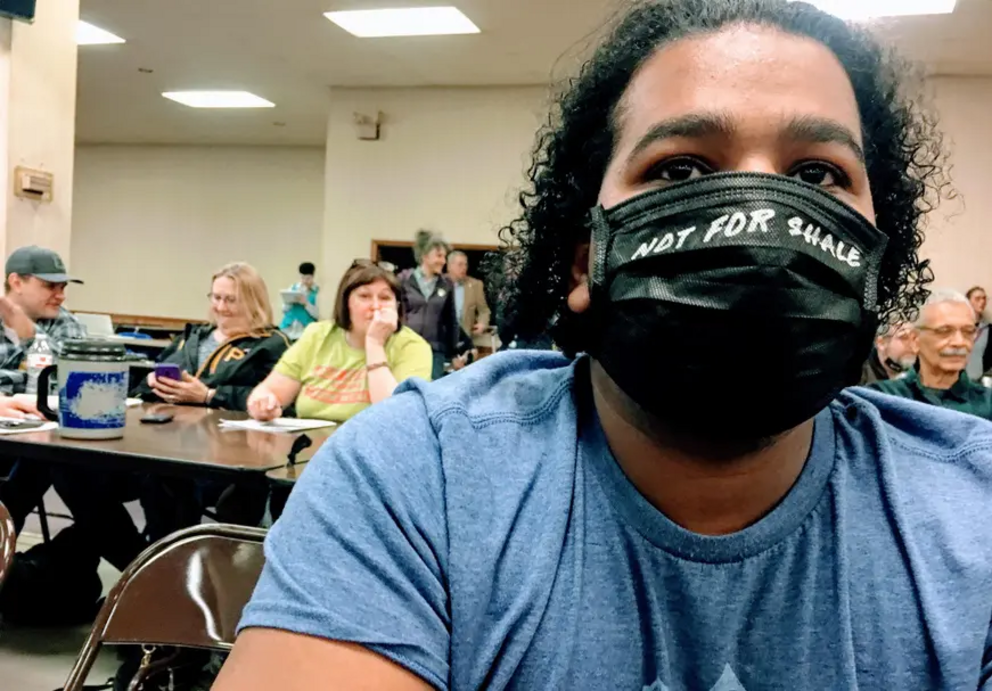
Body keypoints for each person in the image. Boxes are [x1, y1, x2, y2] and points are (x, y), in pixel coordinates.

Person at [215, 2, 992, 690]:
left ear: (873, 258)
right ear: (587, 256)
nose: (763, 219)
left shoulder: (976, 509)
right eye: (682, 167)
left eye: (819, 175)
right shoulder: (417, 478)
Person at [248, 260, 432, 423]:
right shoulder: (317, 335)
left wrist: (375, 344)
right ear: (346, 303)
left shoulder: (413, 347)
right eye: (364, 296)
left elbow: (393, 417)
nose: (375, 306)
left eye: (384, 298)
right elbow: (268, 392)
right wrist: (263, 404)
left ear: (397, 306)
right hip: (312, 450)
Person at [134, 262, 290, 410]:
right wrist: (151, 383)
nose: (221, 307)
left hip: (232, 435)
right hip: (173, 429)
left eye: (231, 300)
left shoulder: (272, 344)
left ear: (253, 302)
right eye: (216, 298)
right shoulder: (193, 336)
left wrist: (209, 396)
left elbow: (280, 401)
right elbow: (139, 393)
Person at [871, 289, 992, 419]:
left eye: (968, 331)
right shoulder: (882, 399)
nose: (959, 342)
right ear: (915, 340)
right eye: (944, 331)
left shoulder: (987, 404)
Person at [0, 246, 87, 394]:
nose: (61, 296)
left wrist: (32, 335)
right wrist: (30, 378)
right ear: (16, 283)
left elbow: (74, 380)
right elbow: (47, 380)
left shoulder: (66, 322)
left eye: (62, 288)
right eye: (50, 286)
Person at [399, 231, 457, 380]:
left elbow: (450, 321)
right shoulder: (404, 280)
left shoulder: (447, 284)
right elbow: (397, 315)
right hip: (406, 348)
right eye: (439, 256)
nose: (443, 261)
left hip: (435, 351)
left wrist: (453, 352)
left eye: (444, 256)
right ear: (425, 256)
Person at [447, 251, 491, 348]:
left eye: (465, 265)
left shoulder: (475, 285)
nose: (464, 268)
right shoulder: (440, 283)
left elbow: (484, 310)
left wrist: (482, 323)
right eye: (460, 264)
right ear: (449, 266)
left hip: (466, 338)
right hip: (443, 339)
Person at [280, 262, 320, 340]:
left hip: (305, 330)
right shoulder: (293, 288)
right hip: (289, 328)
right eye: (302, 278)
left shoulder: (317, 292)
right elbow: (284, 310)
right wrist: (289, 301)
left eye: (308, 278)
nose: (305, 281)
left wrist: (306, 304)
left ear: (313, 277)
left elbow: (317, 315)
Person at [966, 285, 990, 380]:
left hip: (978, 384)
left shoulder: (988, 329)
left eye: (984, 298)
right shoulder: (956, 327)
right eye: (977, 298)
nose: (982, 301)